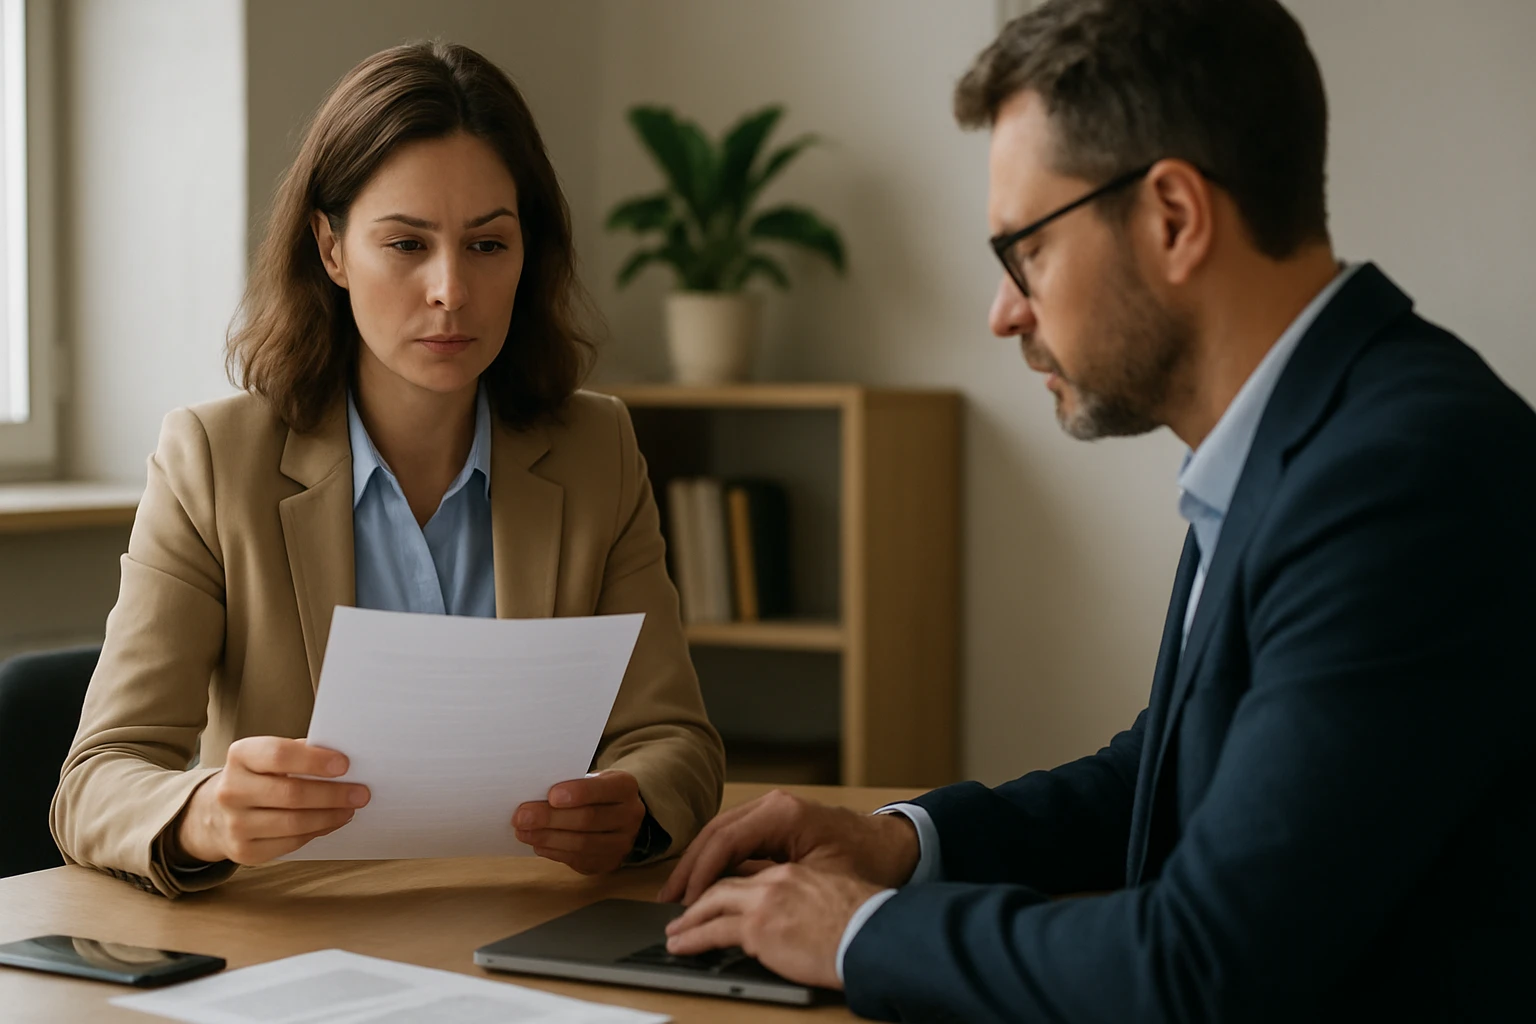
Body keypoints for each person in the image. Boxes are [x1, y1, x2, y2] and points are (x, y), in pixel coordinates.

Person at [658, 1, 1536, 1020]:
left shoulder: (1397, 477)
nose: (1003, 313)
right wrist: (899, 841)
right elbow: (1166, 780)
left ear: (1173, 218)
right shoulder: (1310, 435)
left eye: (1024, 251)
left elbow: (1202, 967)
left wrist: (856, 933)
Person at [51, 41, 724, 898]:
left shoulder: (599, 449)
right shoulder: (211, 461)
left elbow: (676, 741)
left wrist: (633, 806)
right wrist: (204, 813)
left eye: (488, 245)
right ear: (330, 249)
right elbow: (95, 780)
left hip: (527, 919)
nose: (450, 290)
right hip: (298, 932)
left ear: (528, 254)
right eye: (406, 243)